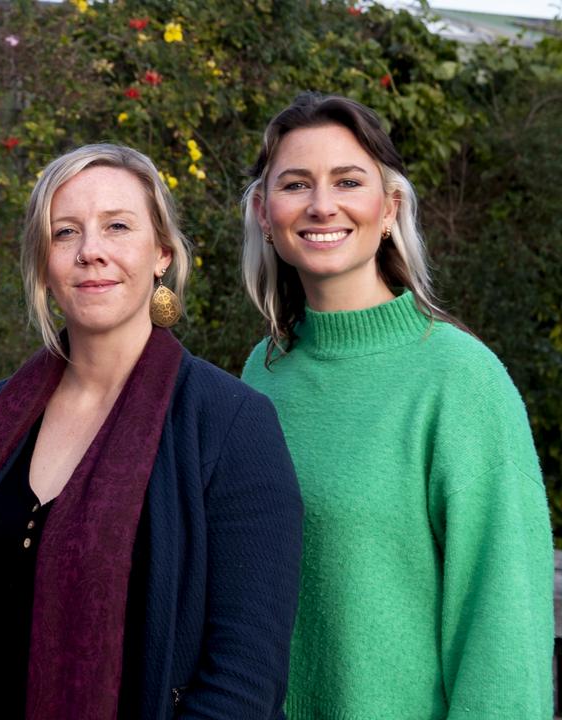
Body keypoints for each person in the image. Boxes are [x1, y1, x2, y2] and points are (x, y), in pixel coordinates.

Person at [0, 143, 304, 720]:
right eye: (65, 232)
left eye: (117, 226)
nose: (91, 252)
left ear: (161, 253)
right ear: (43, 262)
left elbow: (243, 681)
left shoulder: (229, 425)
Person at [239, 92, 553, 719]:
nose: (322, 205)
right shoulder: (260, 374)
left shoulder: (461, 379)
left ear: (389, 208)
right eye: (296, 184)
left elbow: (503, 624)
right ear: (264, 215)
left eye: (348, 181)